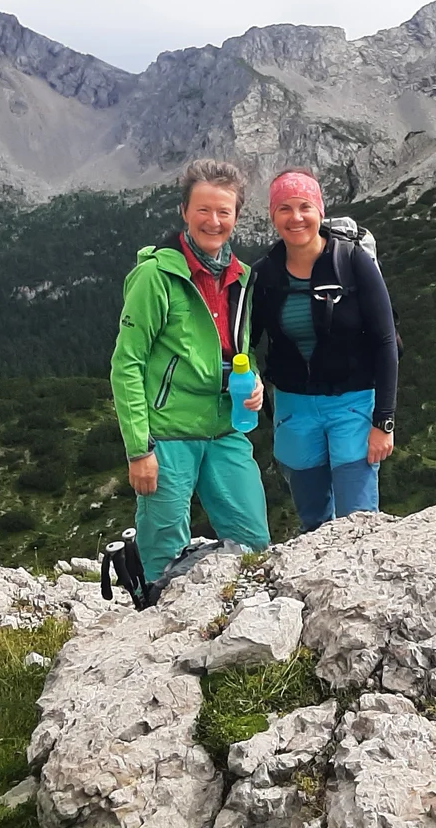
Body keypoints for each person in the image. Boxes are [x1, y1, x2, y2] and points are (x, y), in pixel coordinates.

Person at [111, 158, 271, 581]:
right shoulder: (155, 276)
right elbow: (127, 363)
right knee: (162, 553)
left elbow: (240, 350)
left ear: (236, 216)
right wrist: (138, 450)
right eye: (203, 209)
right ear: (184, 211)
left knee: (254, 544)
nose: (213, 221)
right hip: (168, 434)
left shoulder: (242, 277)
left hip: (225, 428)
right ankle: (154, 615)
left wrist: (253, 379)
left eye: (224, 211)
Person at [250, 168, 398, 531]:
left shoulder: (352, 261)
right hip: (293, 408)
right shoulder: (264, 275)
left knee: (358, 521)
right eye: (284, 208)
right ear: (272, 215)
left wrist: (384, 421)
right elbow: (245, 342)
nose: (296, 217)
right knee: (312, 519)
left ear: (320, 210)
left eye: (305, 206)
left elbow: (385, 341)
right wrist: (249, 376)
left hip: (353, 403)